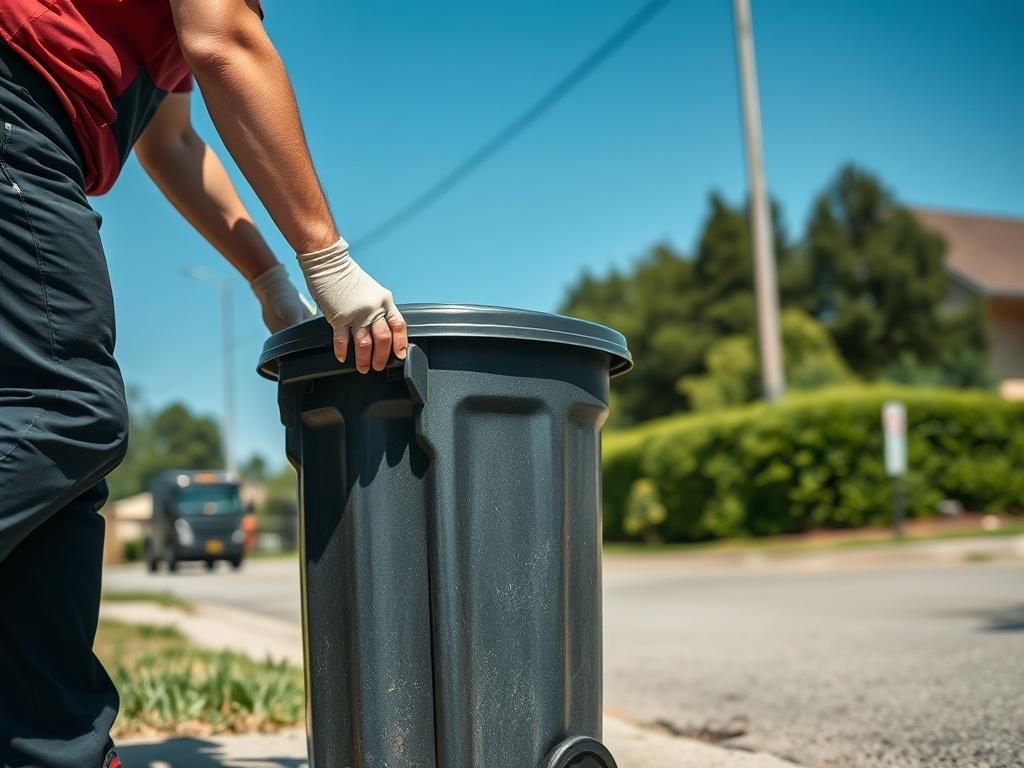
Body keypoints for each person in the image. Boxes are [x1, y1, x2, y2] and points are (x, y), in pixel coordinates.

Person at [0, 2, 407, 766]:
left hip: (29, 130)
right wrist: (330, 260)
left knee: (57, 477)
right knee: (65, 413)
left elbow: (173, 142)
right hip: (16, 111)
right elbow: (227, 43)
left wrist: (271, 281)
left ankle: (50, 751)